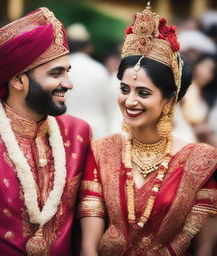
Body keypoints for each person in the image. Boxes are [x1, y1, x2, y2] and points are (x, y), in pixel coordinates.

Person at [78, 3, 217, 255]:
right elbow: (89, 246)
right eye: (124, 89)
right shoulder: (101, 151)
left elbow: (205, 249)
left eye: (143, 93)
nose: (129, 101)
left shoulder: (202, 161)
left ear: (169, 100)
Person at [0, 7, 92, 256]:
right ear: (18, 80)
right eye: (56, 73)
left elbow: (84, 225)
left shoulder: (78, 133)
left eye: (67, 71)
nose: (68, 83)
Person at [65, 23, 113, 139]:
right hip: (97, 129)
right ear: (88, 47)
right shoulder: (99, 69)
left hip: (67, 128)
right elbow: (108, 103)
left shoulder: (62, 68)